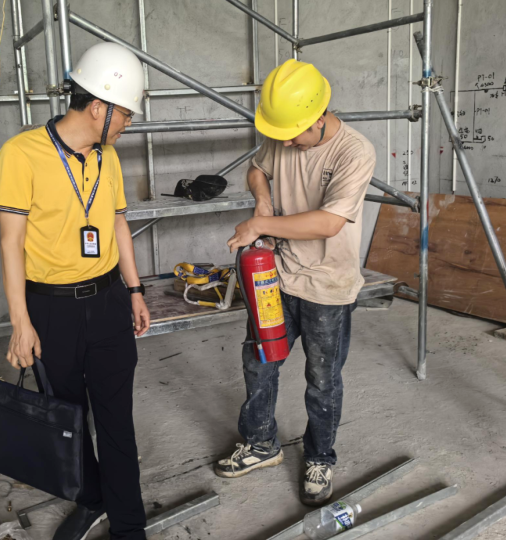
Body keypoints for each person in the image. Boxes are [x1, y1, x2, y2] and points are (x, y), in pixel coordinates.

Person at [0, 42, 150, 540]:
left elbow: (119, 224)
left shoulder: (109, 158)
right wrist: (20, 322)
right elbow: (10, 242)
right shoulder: (21, 154)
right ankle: (92, 498)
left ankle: (129, 527)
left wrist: (135, 289)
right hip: (50, 309)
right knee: (69, 419)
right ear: (98, 107)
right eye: (125, 112)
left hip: (107, 303)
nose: (128, 122)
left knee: (117, 423)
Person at [216, 60, 376, 507]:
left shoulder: (354, 152)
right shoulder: (285, 131)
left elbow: (328, 222)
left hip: (328, 287)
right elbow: (257, 169)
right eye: (281, 134)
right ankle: (261, 443)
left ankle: (320, 457)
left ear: (319, 115)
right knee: (259, 360)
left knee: (322, 379)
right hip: (278, 277)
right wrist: (263, 201)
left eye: (293, 134)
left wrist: (261, 224)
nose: (285, 142)